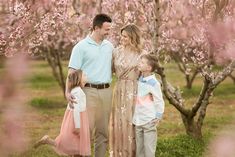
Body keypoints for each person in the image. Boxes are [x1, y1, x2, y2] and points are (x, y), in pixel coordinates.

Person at [66, 13, 113, 157]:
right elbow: (72, 71)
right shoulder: (80, 47)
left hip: (106, 91)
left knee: (103, 131)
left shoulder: (110, 46)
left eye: (110, 29)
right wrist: (67, 92)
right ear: (96, 28)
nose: (109, 32)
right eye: (106, 29)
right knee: (85, 131)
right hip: (88, 92)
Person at [34, 70, 91, 156]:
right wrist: (78, 127)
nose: (87, 76)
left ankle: (48, 140)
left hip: (76, 120)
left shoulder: (76, 91)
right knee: (74, 147)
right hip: (76, 122)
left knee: (72, 145)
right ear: (79, 79)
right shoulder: (78, 92)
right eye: (84, 75)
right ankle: (48, 141)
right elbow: (75, 110)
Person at [109, 24, 145, 157]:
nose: (122, 38)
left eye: (125, 36)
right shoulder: (116, 51)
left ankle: (133, 153)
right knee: (119, 122)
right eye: (121, 35)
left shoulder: (142, 54)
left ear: (133, 37)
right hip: (119, 89)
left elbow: (146, 74)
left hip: (135, 90)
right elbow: (110, 69)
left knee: (132, 121)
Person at [132, 54, 165, 157]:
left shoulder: (154, 83)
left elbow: (159, 100)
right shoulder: (140, 79)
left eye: (142, 63)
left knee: (149, 149)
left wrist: (159, 115)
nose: (139, 64)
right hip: (138, 119)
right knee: (139, 149)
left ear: (149, 68)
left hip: (149, 120)